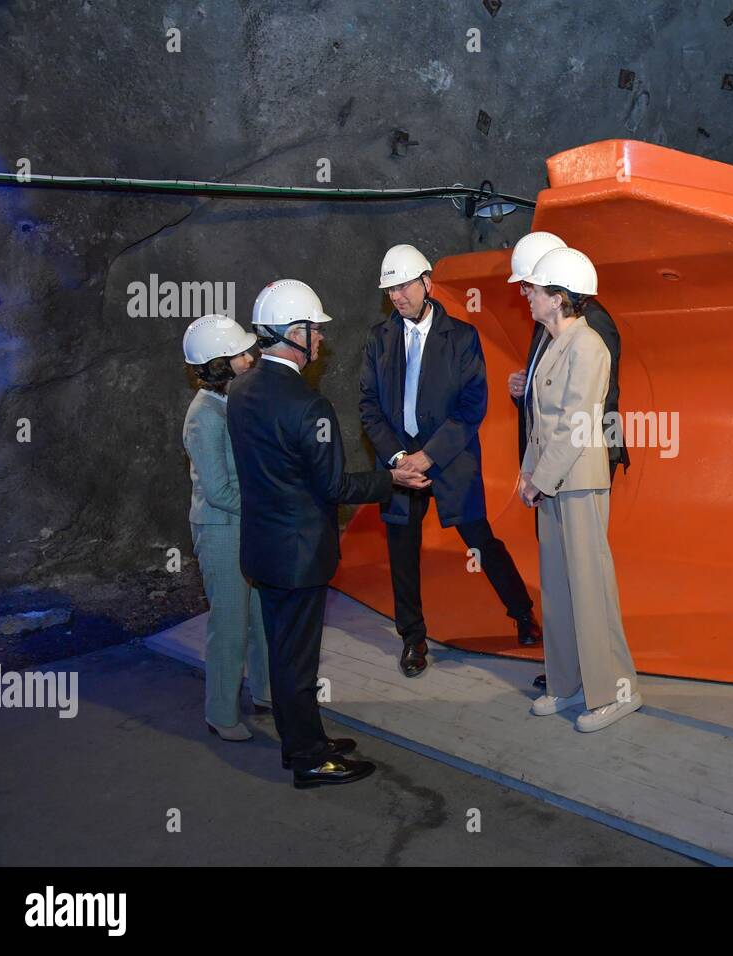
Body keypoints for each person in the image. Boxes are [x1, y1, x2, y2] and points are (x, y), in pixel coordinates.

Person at [227, 279, 423, 789]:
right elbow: (334, 484)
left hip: (263, 548)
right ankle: (309, 759)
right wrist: (392, 478)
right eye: (314, 331)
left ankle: (303, 738)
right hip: (298, 554)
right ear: (294, 333)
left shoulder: (241, 390)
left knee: (283, 651)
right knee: (297, 659)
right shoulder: (308, 406)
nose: (320, 341)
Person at [359, 244, 540, 680]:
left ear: (426, 283)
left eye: (403, 286)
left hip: (450, 461)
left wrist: (428, 455)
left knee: (480, 541)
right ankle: (413, 638)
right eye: (389, 290)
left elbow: (472, 406)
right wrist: (400, 458)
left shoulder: (461, 336)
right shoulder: (378, 339)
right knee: (401, 552)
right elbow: (368, 406)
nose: (396, 297)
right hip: (401, 466)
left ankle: (522, 612)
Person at [517, 247, 641, 733]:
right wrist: (531, 475)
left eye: (535, 289)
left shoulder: (588, 346)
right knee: (560, 586)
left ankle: (615, 691)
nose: (527, 295)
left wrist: (540, 479)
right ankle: (567, 683)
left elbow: (575, 423)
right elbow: (539, 421)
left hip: (578, 482)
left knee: (590, 587)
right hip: (552, 482)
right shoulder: (553, 342)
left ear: (560, 297)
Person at [181, 315, 271, 742]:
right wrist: (266, 510)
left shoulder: (229, 403)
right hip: (221, 529)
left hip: (243, 524)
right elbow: (218, 490)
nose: (249, 357)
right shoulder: (205, 415)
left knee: (261, 614)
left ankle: (267, 692)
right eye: (238, 354)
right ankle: (221, 713)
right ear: (218, 364)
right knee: (231, 623)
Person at [506, 232, 629, 481]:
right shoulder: (548, 319)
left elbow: (593, 397)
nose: (524, 293)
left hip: (584, 456)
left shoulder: (592, 321)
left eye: (528, 285)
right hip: (557, 452)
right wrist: (527, 387)